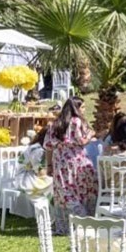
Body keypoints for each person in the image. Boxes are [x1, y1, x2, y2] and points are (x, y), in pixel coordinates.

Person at [43, 98, 97, 233]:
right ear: (76, 108)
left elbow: (48, 146)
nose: (84, 110)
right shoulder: (77, 122)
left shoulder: (54, 124)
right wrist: (91, 134)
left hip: (60, 162)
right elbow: (82, 141)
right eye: (83, 107)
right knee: (80, 192)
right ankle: (84, 221)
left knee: (64, 193)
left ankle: (66, 225)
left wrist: (49, 166)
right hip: (76, 161)